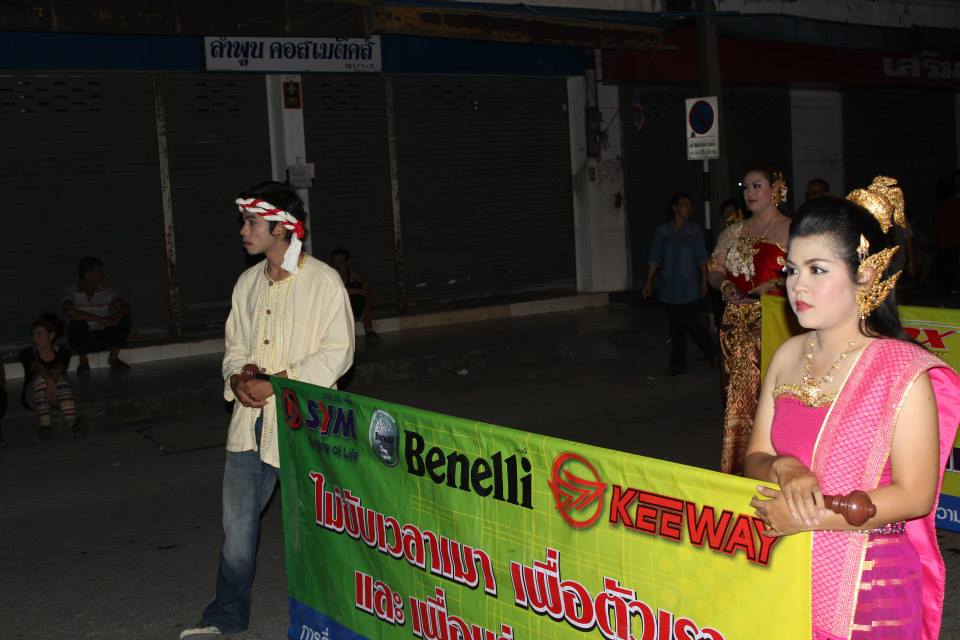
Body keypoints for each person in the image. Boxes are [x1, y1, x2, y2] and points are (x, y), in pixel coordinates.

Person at [745, 177, 960, 640]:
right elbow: (755, 457)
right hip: (785, 571)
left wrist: (808, 518)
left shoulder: (903, 372)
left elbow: (915, 495)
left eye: (817, 270)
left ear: (865, 275)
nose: (797, 285)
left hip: (870, 583)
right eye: (792, 269)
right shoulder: (787, 356)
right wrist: (784, 467)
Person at [180, 181, 355, 639]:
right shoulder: (247, 284)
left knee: (318, 531)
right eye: (244, 222)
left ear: (281, 228)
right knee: (237, 530)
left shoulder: (323, 281)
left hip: (304, 429)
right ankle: (226, 616)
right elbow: (235, 347)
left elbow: (337, 354)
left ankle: (334, 621)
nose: (243, 231)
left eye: (252, 222)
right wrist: (238, 379)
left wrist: (276, 383)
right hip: (248, 427)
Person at [708, 165, 791, 474]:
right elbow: (715, 271)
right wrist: (725, 285)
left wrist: (774, 285)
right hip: (735, 326)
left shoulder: (792, 230)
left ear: (775, 190)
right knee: (737, 397)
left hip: (772, 322)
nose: (750, 193)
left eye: (757, 186)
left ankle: (775, 465)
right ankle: (737, 467)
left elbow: (805, 273)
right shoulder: (734, 231)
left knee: (772, 395)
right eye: (746, 187)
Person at [643, 193, 717, 375]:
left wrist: (704, 282)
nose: (688, 208)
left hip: (690, 285)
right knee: (675, 325)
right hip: (670, 286)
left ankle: (712, 353)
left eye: (689, 205)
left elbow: (702, 258)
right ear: (675, 208)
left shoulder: (694, 230)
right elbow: (655, 258)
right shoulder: (663, 231)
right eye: (684, 204)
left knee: (691, 322)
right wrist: (649, 281)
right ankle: (678, 363)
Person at [18, 313, 87, 440]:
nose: (35, 338)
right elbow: (38, 366)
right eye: (33, 334)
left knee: (59, 378)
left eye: (39, 334)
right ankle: (45, 425)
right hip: (34, 398)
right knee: (41, 378)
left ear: (51, 336)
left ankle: (73, 425)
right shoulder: (27, 353)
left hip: (60, 395)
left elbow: (60, 367)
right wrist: (49, 381)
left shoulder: (63, 352)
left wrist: (51, 383)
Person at [63, 257, 132, 373]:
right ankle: (83, 361)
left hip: (102, 335)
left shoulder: (105, 291)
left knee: (125, 318)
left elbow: (125, 305)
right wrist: (99, 319)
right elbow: (69, 311)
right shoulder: (71, 292)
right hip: (82, 339)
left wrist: (116, 316)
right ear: (87, 274)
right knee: (76, 322)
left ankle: (113, 358)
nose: (101, 275)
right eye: (98, 271)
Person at [330, 247, 378, 338]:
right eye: (335, 262)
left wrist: (362, 287)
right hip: (337, 310)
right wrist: (356, 291)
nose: (338, 265)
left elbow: (366, 289)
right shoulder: (330, 276)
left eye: (341, 262)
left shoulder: (352, 275)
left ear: (347, 262)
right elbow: (336, 292)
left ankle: (369, 330)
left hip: (354, 308)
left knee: (364, 293)